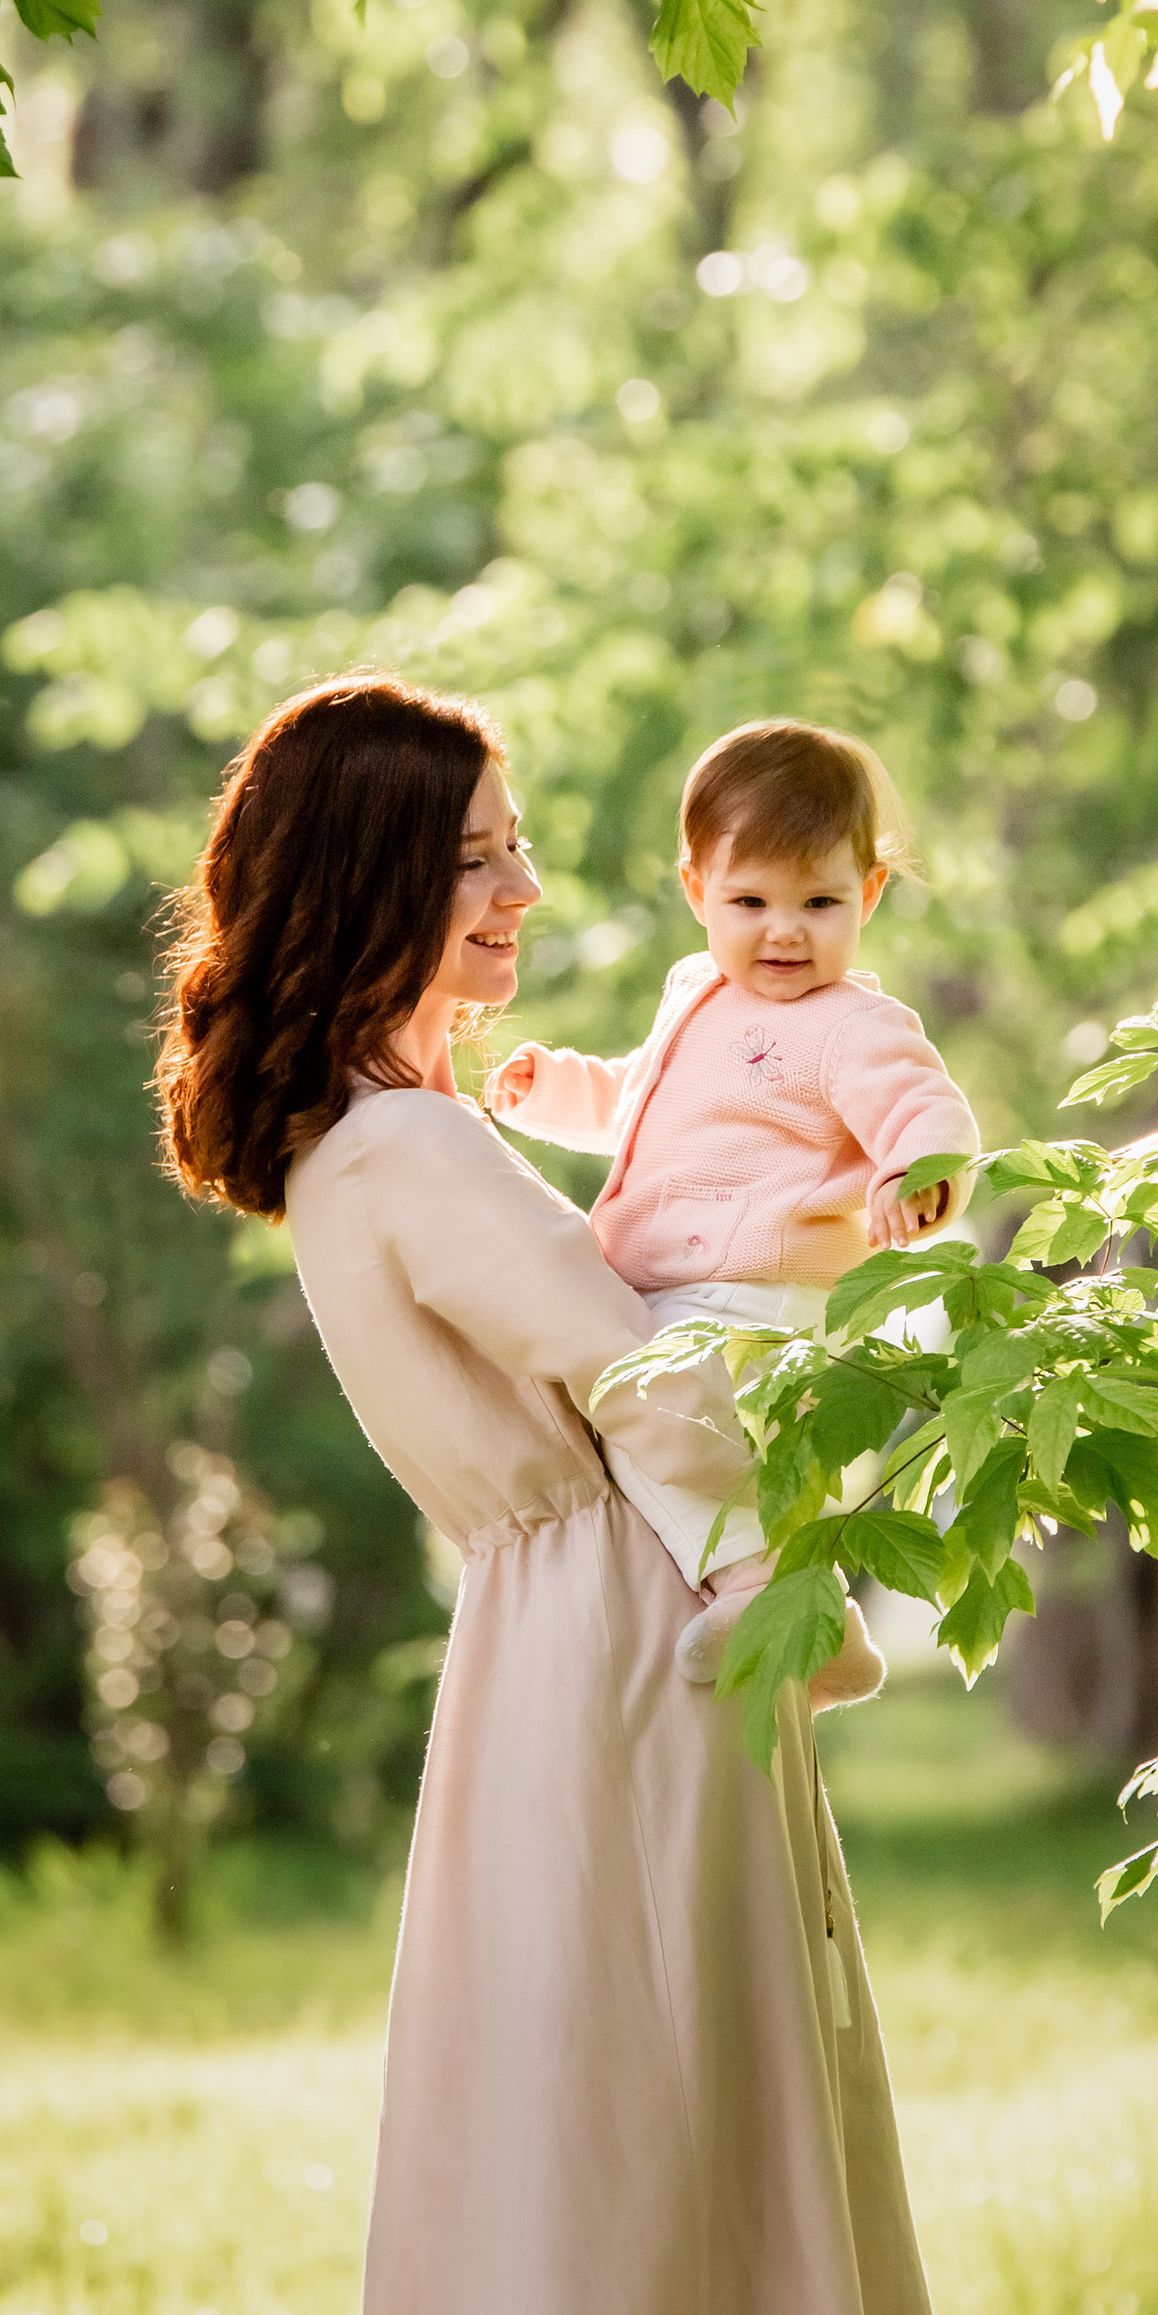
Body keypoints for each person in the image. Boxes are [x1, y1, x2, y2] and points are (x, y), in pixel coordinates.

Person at [154, 674, 1037, 2315]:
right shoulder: (418, 1155)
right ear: (364, 882)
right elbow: (650, 1379)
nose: (526, 890)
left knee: (571, 2223)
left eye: (523, 846)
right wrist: (804, 1614)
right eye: (476, 857)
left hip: (549, 1671)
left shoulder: (378, 1147)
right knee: (661, 2219)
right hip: (634, 1667)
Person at [486, 719, 979, 1704]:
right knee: (640, 1429)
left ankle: (770, 1595)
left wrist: (910, 1175)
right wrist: (553, 1091)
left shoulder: (852, 1026)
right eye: (748, 900)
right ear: (695, 891)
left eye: (819, 901)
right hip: (682, 1288)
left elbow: (928, 1110)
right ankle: (785, 1595)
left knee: (650, 1413)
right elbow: (640, 1100)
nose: (784, 931)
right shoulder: (694, 993)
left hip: (758, 1289)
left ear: (868, 895)